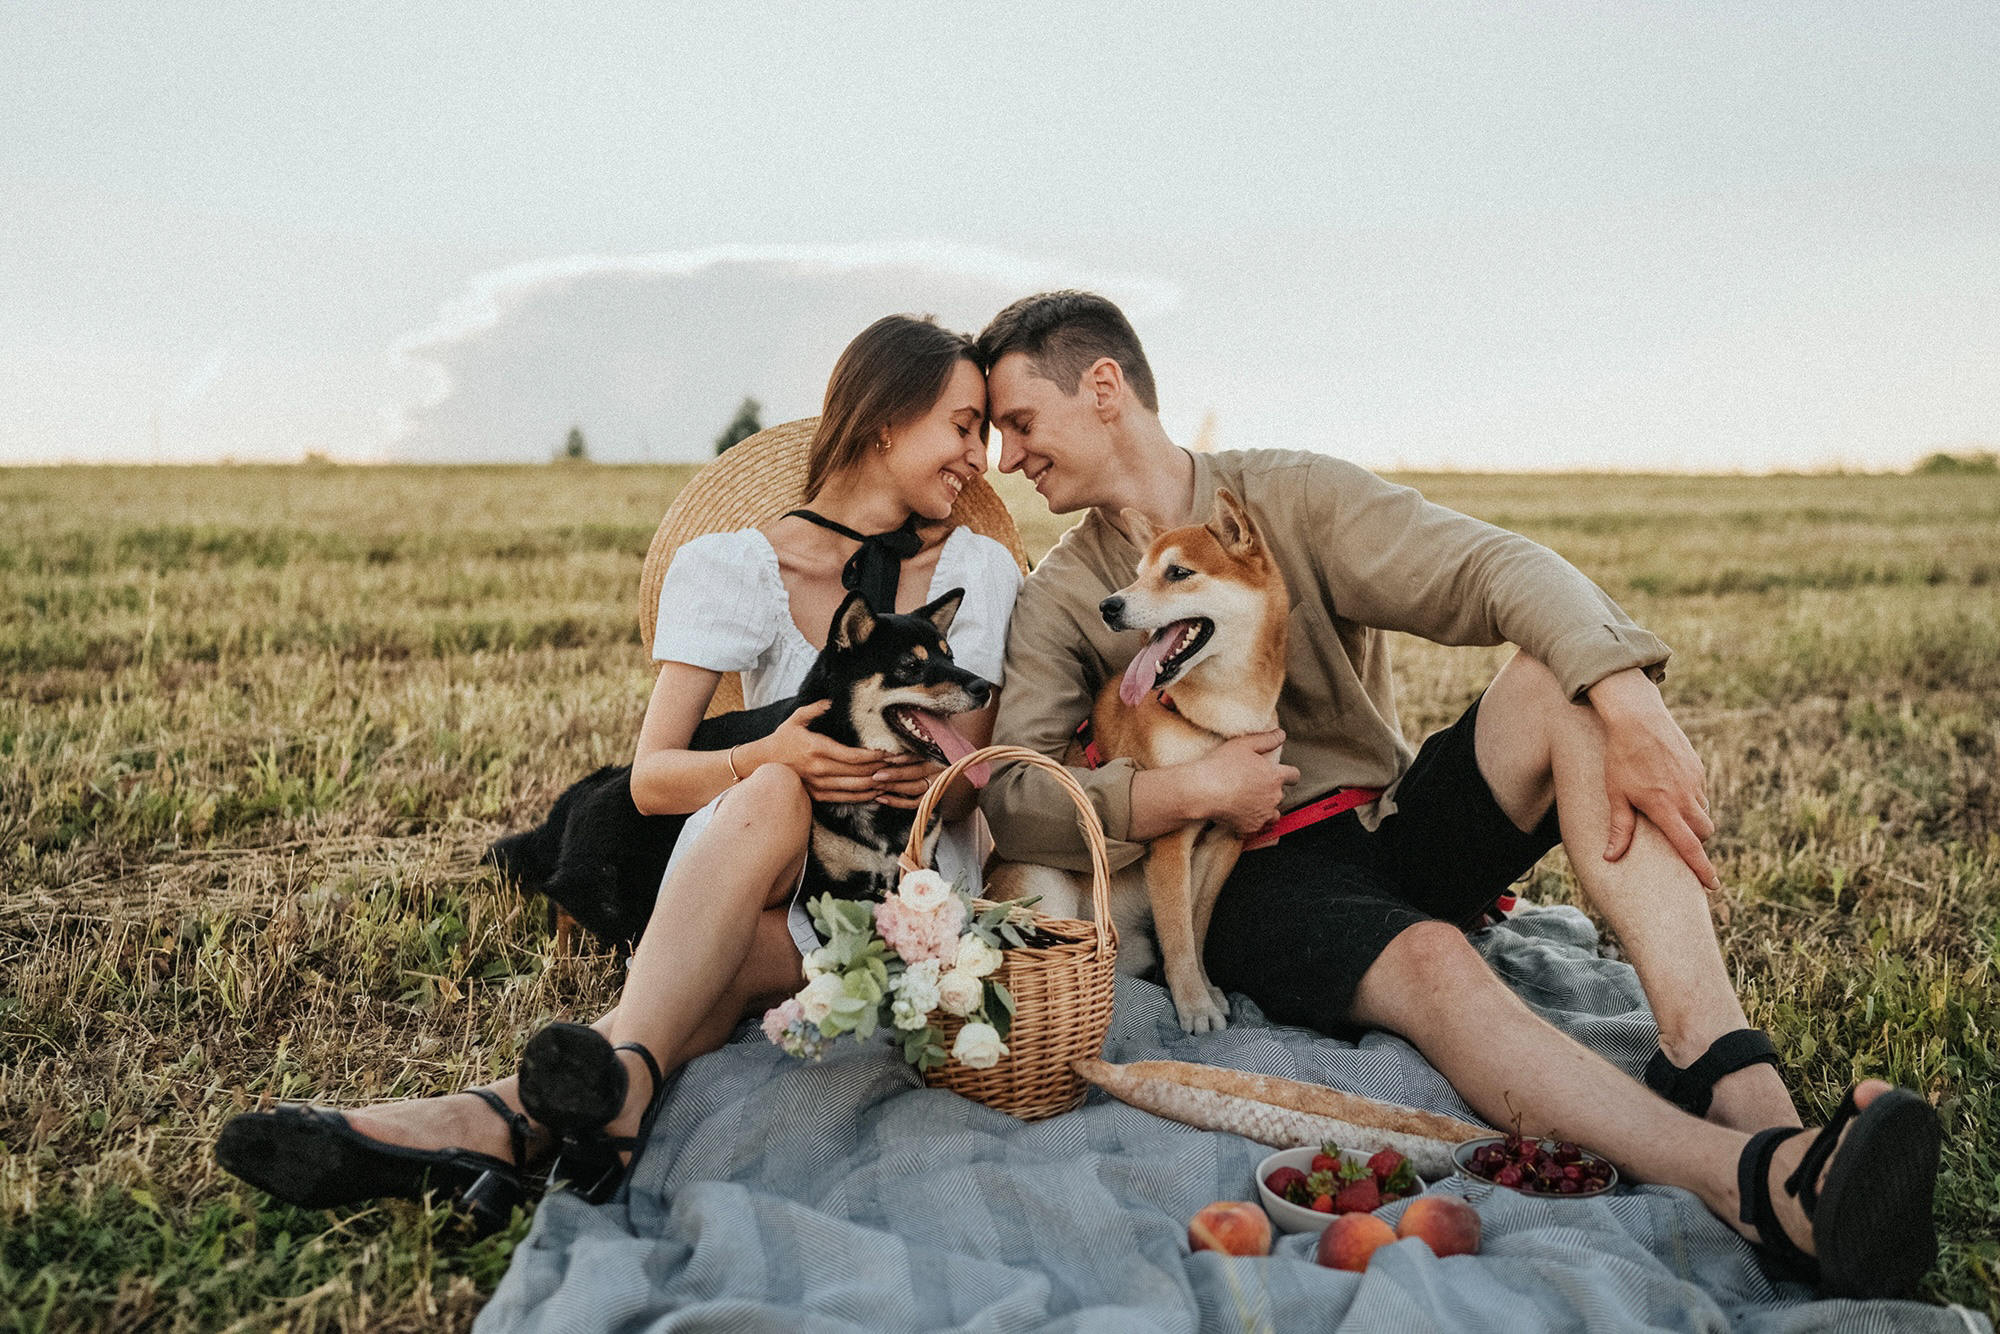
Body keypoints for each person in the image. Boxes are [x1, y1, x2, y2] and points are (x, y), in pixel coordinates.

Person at [974, 290, 1940, 1299]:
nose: (1007, 458)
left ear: (1101, 388)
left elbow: (1490, 566)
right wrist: (1180, 790)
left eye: (1019, 423)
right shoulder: (1064, 594)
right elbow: (1012, 797)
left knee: (1552, 683)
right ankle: (1751, 1181)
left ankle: (1726, 1070)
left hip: (1382, 825)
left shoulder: (1288, 497)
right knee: (1432, 958)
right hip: (1248, 881)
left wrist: (1622, 693)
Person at [215, 314, 1023, 1224]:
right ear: (886, 419)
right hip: (761, 863)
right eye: (964, 426)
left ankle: (487, 1120)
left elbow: (984, 756)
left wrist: (934, 774)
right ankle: (553, 1105)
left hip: (894, 894)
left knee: (691, 988)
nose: (980, 458)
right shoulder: (735, 567)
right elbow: (654, 779)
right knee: (768, 786)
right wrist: (773, 750)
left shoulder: (977, 572)